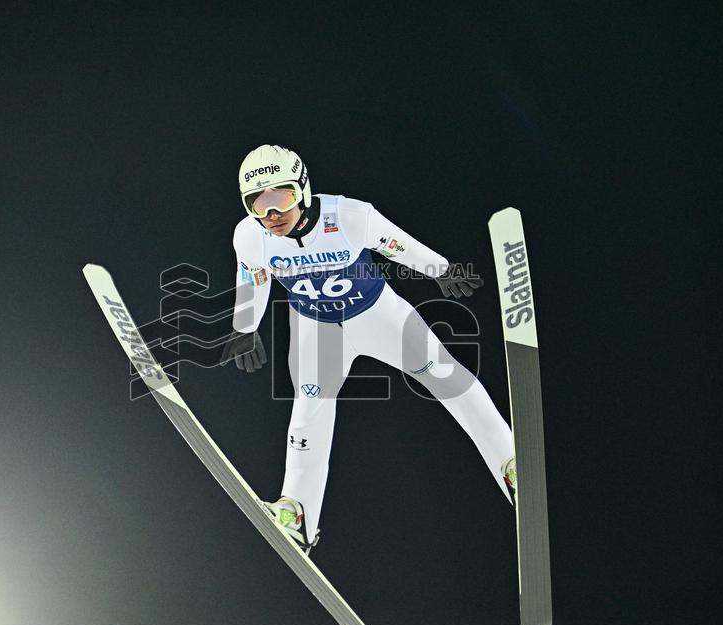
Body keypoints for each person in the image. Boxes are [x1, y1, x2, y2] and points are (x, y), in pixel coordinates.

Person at [220, 144, 516, 555]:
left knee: (445, 375)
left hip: (378, 316)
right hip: (316, 331)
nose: (272, 213)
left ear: (302, 189)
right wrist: (245, 327)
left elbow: (397, 244)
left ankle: (511, 463)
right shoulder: (250, 236)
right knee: (307, 417)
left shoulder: (349, 216)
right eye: (258, 202)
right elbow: (253, 279)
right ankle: (298, 516)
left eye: (281, 196)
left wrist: (441, 270)